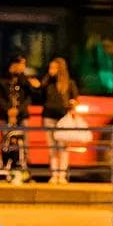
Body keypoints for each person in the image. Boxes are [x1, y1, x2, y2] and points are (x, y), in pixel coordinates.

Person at [0, 56, 37, 183]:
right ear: (13, 65)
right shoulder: (1, 79)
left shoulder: (24, 80)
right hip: (5, 116)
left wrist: (18, 110)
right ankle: (4, 170)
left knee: (24, 142)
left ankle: (23, 169)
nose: (23, 67)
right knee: (6, 142)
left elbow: (30, 97)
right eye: (21, 64)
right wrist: (9, 110)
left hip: (22, 115)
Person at [40, 56, 81, 185]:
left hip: (63, 118)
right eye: (50, 68)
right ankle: (54, 174)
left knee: (63, 148)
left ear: (61, 69)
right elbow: (40, 95)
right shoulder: (47, 82)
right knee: (52, 148)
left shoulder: (69, 83)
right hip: (48, 117)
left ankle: (62, 175)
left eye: (54, 68)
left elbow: (75, 98)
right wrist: (46, 79)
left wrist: (73, 103)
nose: (51, 70)